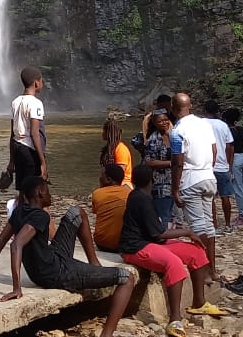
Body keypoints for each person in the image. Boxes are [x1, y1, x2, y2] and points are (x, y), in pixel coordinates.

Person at [0, 176, 136, 337]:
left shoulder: (19, 211)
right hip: (57, 273)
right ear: (40, 193)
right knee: (126, 278)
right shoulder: (40, 216)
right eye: (48, 191)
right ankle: (107, 334)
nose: (51, 195)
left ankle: (94, 264)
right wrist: (16, 287)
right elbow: (15, 245)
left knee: (77, 212)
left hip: (51, 259)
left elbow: (0, 242)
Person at [120, 164, 229, 337]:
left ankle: (199, 303)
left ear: (133, 180)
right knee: (174, 264)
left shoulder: (141, 195)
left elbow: (156, 234)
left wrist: (186, 235)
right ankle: (175, 318)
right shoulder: (141, 199)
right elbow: (159, 233)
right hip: (136, 248)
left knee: (197, 252)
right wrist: (187, 232)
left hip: (152, 242)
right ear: (153, 180)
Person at [169, 92, 220, 281]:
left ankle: (204, 272)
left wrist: (175, 189)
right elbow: (214, 150)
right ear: (190, 106)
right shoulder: (205, 123)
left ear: (173, 108)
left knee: (198, 226)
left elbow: (178, 162)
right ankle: (213, 270)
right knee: (209, 225)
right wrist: (207, 169)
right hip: (209, 178)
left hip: (191, 180)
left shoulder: (177, 131)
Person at [7, 67, 48, 190]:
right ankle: (32, 208)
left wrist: (11, 161)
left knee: (22, 188)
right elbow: (35, 133)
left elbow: (12, 134)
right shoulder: (36, 103)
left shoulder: (15, 102)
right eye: (41, 81)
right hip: (30, 150)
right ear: (36, 83)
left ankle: (20, 208)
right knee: (34, 188)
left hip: (17, 147)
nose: (42, 83)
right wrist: (42, 161)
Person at [203, 100, 235, 229]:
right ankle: (227, 224)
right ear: (217, 111)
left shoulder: (201, 124)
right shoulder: (223, 125)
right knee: (225, 196)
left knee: (209, 197)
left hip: (206, 165)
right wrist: (229, 164)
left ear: (205, 111)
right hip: (222, 165)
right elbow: (229, 146)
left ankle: (213, 224)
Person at [144, 108, 176, 230]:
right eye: (160, 121)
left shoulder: (173, 136)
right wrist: (171, 163)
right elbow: (149, 162)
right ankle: (162, 240)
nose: (164, 123)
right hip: (161, 184)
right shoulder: (153, 139)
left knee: (173, 216)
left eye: (166, 120)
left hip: (175, 182)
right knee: (163, 215)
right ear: (155, 124)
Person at [222, 107, 243, 228]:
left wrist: (228, 165)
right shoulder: (241, 129)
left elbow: (230, 148)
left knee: (238, 188)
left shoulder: (228, 131)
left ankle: (242, 216)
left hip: (234, 159)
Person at [91, 163, 130, 252]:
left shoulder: (97, 193)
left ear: (108, 180)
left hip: (102, 243)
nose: (99, 178)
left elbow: (97, 212)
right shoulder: (129, 194)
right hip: (123, 244)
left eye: (101, 176)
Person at [100, 116, 134, 188]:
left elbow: (120, 173)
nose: (102, 133)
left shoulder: (121, 149)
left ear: (109, 133)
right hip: (110, 183)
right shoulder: (109, 148)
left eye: (104, 131)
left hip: (123, 184)